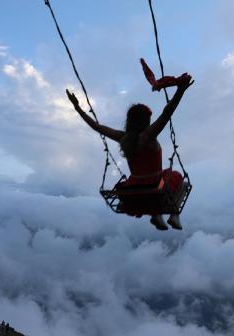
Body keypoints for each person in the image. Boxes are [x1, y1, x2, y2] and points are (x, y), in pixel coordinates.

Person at [66, 70, 194, 231]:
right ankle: (174, 216)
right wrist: (180, 90)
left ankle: (157, 216)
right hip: (154, 188)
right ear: (147, 120)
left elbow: (96, 126)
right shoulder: (148, 136)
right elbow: (166, 113)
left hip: (134, 189)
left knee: (158, 186)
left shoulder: (123, 138)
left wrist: (77, 107)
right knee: (176, 177)